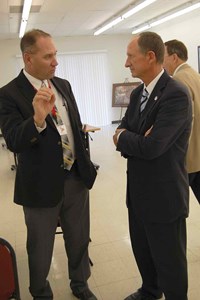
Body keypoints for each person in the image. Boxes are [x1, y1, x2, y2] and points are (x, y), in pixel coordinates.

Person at [0, 29, 97, 300]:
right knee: (40, 247)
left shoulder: (62, 84)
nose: (56, 62)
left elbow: (72, 126)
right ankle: (41, 292)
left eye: (56, 54)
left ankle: (80, 284)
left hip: (75, 178)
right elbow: (14, 141)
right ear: (28, 58)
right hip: (40, 186)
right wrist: (37, 121)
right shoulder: (8, 94)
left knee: (78, 239)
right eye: (49, 56)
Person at [113, 32, 192, 300]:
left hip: (164, 197)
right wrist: (128, 136)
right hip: (137, 194)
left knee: (170, 263)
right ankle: (149, 290)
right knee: (144, 252)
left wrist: (126, 138)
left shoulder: (176, 94)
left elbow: (153, 146)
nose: (126, 63)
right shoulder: (138, 93)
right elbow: (124, 130)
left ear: (150, 57)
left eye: (130, 57)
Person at [164, 39, 200, 204]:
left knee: (176, 205)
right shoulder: (195, 74)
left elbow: (184, 123)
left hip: (190, 158)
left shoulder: (178, 80)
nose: (161, 62)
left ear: (174, 57)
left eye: (163, 56)